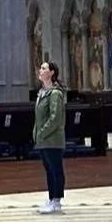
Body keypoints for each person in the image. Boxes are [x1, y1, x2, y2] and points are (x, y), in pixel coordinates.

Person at [33, 60, 66, 214]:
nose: (40, 70)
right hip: (43, 139)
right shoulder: (41, 93)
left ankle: (57, 199)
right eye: (41, 68)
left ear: (52, 73)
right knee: (48, 169)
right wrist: (36, 133)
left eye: (44, 68)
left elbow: (55, 117)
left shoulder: (55, 93)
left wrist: (43, 132)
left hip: (52, 139)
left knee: (55, 169)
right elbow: (38, 117)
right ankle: (51, 197)